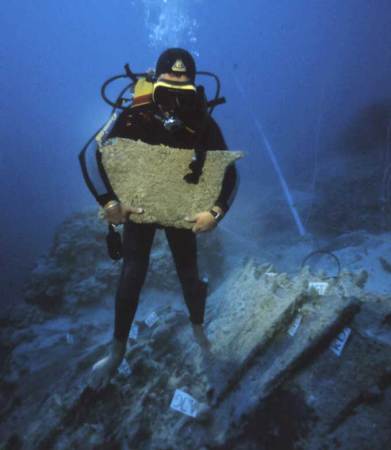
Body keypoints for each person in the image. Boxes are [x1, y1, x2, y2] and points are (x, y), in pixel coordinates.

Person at [79, 48, 238, 390]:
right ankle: (117, 352)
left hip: (182, 207)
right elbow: (92, 156)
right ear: (154, 83)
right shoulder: (135, 114)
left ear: (195, 88)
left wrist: (215, 213)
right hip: (142, 206)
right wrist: (109, 203)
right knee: (133, 272)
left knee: (189, 272)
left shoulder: (203, 122)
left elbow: (229, 173)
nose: (175, 104)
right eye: (168, 89)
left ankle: (199, 332)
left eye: (184, 90)